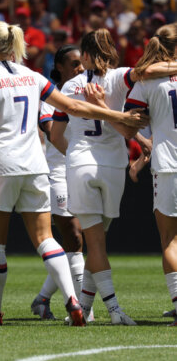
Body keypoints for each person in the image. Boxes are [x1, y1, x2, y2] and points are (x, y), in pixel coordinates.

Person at [0, 20, 148, 327]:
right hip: (36, 165)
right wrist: (116, 114)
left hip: (1, 165)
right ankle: (73, 300)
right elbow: (74, 107)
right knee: (46, 238)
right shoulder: (33, 76)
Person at [50, 28, 176, 325]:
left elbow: (56, 136)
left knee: (95, 246)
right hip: (114, 165)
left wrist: (76, 155)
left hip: (82, 165)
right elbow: (148, 71)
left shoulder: (70, 86)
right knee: (98, 242)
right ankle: (82, 308)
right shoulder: (122, 76)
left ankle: (114, 310)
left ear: (85, 55)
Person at [124, 24, 177, 326]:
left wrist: (146, 146)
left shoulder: (144, 80)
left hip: (168, 164)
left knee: (170, 240)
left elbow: (130, 122)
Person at [31, 45, 88, 321]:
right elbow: (53, 133)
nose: (80, 69)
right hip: (56, 172)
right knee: (74, 236)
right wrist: (82, 155)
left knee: (80, 240)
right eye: (74, 64)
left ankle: (42, 298)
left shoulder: (88, 93)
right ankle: (82, 310)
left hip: (82, 171)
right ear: (60, 69)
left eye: (82, 64)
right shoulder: (49, 98)